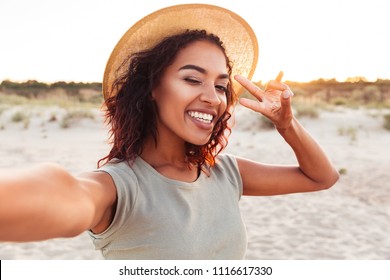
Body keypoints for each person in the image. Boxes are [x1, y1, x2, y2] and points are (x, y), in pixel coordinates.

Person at [0, 4, 339, 259]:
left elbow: (320, 178)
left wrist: (286, 124)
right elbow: (63, 193)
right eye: (192, 79)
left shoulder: (225, 172)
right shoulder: (118, 187)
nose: (213, 97)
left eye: (221, 86)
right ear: (152, 87)